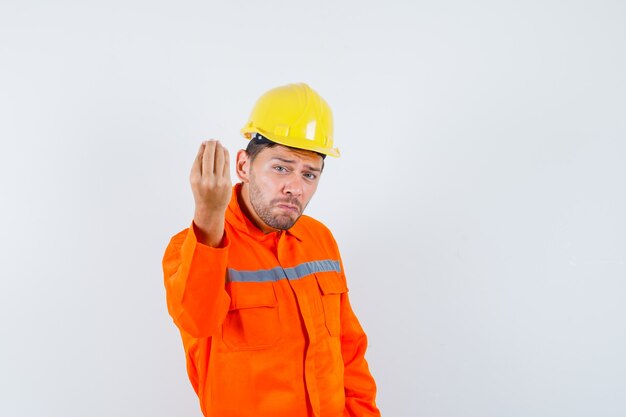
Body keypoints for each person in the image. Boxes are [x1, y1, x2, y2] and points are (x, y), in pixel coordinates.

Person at [162, 83, 381, 417]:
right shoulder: (194, 246)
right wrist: (208, 218)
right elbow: (197, 321)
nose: (295, 187)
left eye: (310, 174)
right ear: (243, 166)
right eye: (281, 167)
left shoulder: (320, 240)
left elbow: (348, 353)